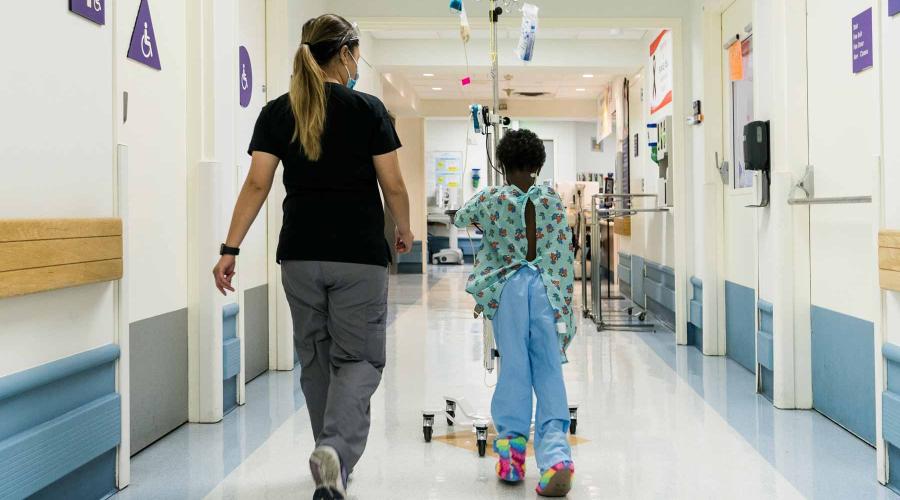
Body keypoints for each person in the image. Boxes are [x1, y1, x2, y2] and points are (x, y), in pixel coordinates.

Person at [212, 14, 412, 500]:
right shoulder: (368, 109)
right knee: (360, 357)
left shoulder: (278, 111)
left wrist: (230, 247)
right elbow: (393, 184)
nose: (358, 62)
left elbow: (257, 183)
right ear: (344, 54)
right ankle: (335, 451)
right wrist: (403, 228)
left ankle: (331, 459)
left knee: (316, 356)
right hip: (358, 257)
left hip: (299, 256)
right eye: (357, 53)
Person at [453, 129, 576, 497]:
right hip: (548, 294)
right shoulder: (552, 199)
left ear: (503, 166)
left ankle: (511, 457)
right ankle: (556, 459)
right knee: (549, 371)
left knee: (515, 370)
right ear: (539, 165)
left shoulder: (492, 198)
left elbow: (461, 217)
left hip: (509, 291)